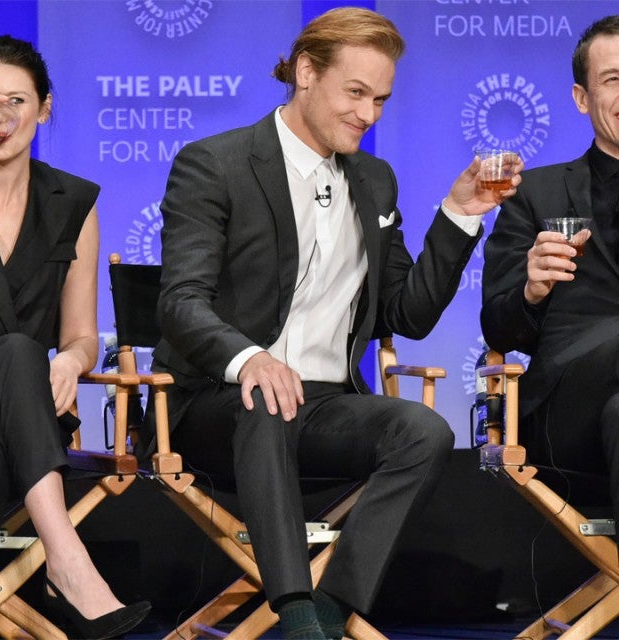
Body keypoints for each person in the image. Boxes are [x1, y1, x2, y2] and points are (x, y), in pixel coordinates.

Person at [146, 7, 522, 640]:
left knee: (423, 431)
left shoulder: (374, 179)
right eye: (355, 92)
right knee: (267, 398)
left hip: (323, 404)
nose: (368, 114)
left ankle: (333, 603)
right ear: (305, 72)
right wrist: (250, 359)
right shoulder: (216, 163)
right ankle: (295, 613)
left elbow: (407, 314)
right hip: (217, 404)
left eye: (380, 99)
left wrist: (461, 213)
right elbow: (181, 301)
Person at [0, 35, 150, 639]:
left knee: (2, 384)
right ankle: (67, 558)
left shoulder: (72, 203)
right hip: (12, 413)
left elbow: (80, 335)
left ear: (44, 108)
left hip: (26, 413)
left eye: (15, 100)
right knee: (10, 361)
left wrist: (72, 363)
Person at [481, 16, 619, 531]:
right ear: (582, 98)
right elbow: (498, 329)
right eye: (614, 79)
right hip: (565, 412)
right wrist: (531, 292)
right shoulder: (536, 194)